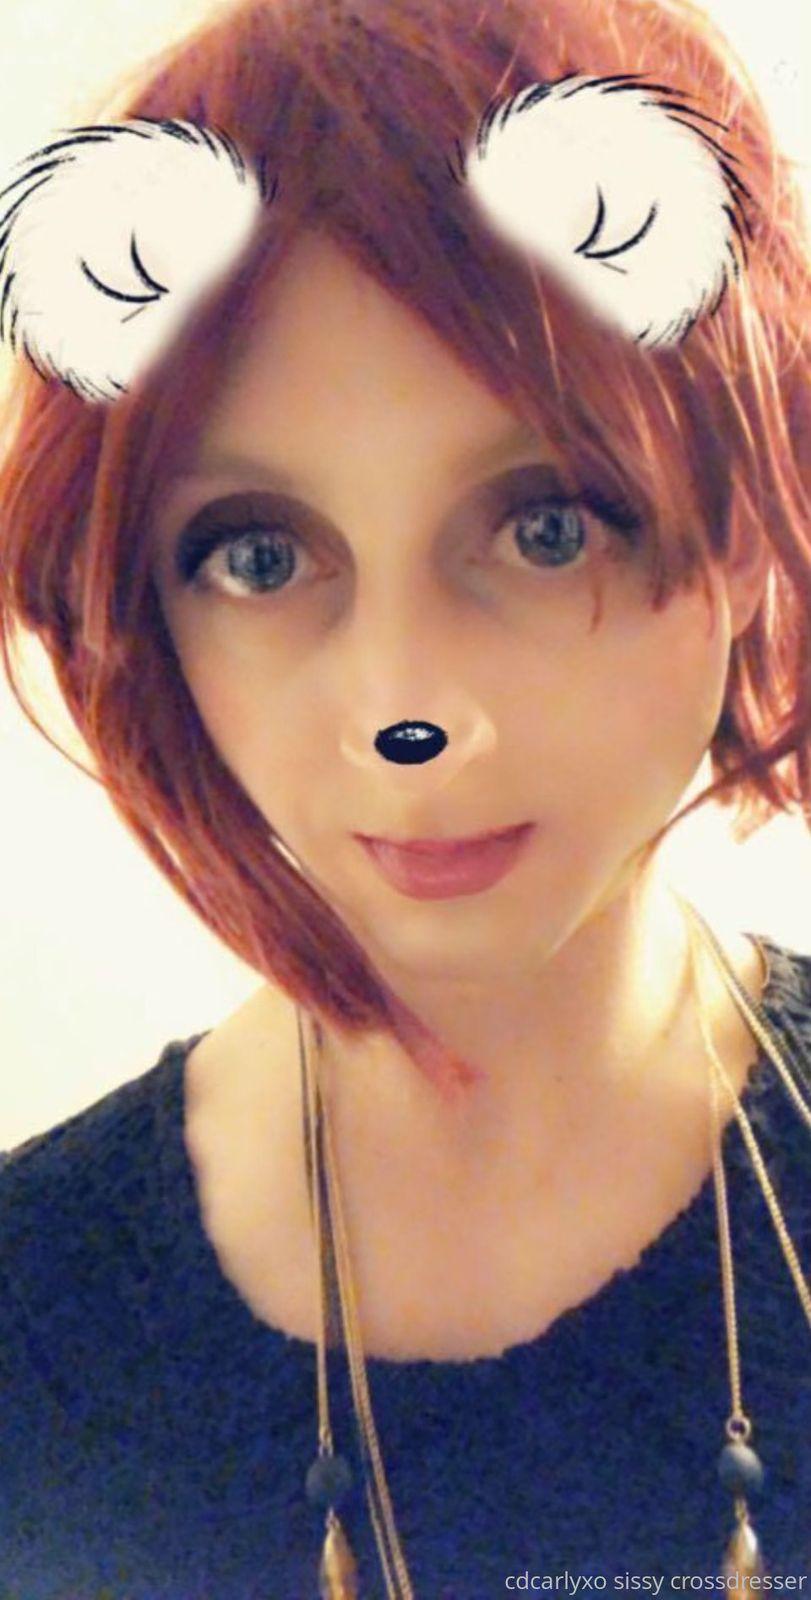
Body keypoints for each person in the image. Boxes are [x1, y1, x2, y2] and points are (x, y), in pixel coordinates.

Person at [0, 0, 810, 1594]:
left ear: (735, 528)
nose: (407, 712)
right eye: (258, 553)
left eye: (549, 526)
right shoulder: (34, 1322)